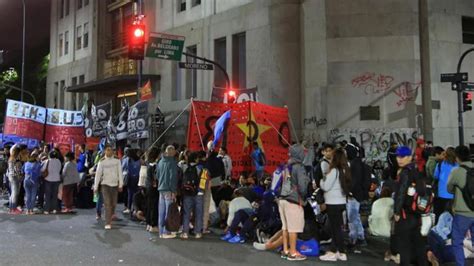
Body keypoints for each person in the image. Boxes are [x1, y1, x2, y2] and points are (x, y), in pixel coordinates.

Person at [393, 146, 427, 266]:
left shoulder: (405, 173)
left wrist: (396, 212)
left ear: (409, 157)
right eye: (397, 156)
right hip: (418, 214)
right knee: (419, 246)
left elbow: (401, 193)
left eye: (402, 156)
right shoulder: (417, 170)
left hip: (405, 214)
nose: (399, 159)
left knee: (404, 247)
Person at [277, 144, 310, 261]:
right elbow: (302, 186)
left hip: (282, 200)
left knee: (285, 227)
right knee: (293, 228)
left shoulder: (286, 165)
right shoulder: (299, 167)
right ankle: (293, 253)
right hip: (293, 200)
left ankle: (285, 250)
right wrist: (305, 195)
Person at [319, 148, 351, 262]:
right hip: (342, 202)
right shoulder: (345, 169)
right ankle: (341, 252)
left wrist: (321, 181)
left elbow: (325, 186)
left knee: (335, 228)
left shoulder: (334, 171)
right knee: (339, 228)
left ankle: (333, 252)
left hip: (333, 203)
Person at [447, 145, 474, 266]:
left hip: (463, 213)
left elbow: (449, 188)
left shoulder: (456, 171)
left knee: (457, 241)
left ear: (457, 157)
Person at [345, 144, 369, 252]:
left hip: (353, 195)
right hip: (358, 194)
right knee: (356, 217)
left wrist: (349, 192)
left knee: (352, 218)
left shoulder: (354, 165)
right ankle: (360, 237)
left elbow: (354, 181)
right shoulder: (358, 163)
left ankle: (353, 239)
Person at [93, 145, 123, 230]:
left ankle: (112, 214)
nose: (109, 152)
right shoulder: (101, 162)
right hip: (105, 185)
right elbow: (98, 175)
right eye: (107, 150)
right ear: (105, 151)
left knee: (113, 203)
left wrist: (121, 184)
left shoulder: (117, 160)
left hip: (114, 185)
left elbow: (120, 173)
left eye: (111, 150)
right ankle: (108, 222)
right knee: (107, 204)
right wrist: (95, 187)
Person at [156, 145, 179, 238]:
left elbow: (157, 175)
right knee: (168, 211)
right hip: (169, 189)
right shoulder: (172, 162)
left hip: (161, 189)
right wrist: (173, 191)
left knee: (161, 211)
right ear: (172, 152)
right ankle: (167, 231)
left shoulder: (160, 161)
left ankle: (161, 231)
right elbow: (172, 178)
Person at [181, 152, 204, 239]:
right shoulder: (200, 168)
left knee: (186, 213)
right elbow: (202, 181)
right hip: (198, 193)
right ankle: (198, 232)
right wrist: (201, 191)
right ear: (195, 159)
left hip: (187, 193)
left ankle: (185, 233)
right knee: (198, 213)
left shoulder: (184, 167)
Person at [433, 147, 457, 223]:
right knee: (453, 217)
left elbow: (435, 176)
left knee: (439, 215)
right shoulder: (457, 166)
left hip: (441, 195)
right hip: (454, 196)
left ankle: (438, 232)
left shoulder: (439, 164)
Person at [42, 150, 62, 214]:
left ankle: (47, 210)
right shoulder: (59, 161)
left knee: (47, 195)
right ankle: (54, 209)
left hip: (48, 179)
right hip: (56, 180)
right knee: (55, 195)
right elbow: (59, 169)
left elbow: (42, 169)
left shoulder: (47, 161)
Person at [145, 147, 160, 233]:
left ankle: (148, 224)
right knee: (154, 207)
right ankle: (153, 225)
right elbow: (155, 178)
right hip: (154, 188)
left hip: (148, 187)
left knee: (149, 205)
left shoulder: (148, 164)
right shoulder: (154, 166)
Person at [8, 146, 23, 214]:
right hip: (15, 177)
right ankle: (13, 209)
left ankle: (11, 208)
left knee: (12, 193)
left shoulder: (10, 158)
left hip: (11, 176)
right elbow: (17, 170)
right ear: (18, 152)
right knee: (15, 193)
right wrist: (20, 175)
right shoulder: (15, 160)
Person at [125, 150, 141, 215]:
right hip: (137, 178)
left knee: (130, 194)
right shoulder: (139, 160)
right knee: (135, 194)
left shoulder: (128, 160)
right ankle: (134, 208)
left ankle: (129, 208)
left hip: (130, 178)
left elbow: (125, 168)